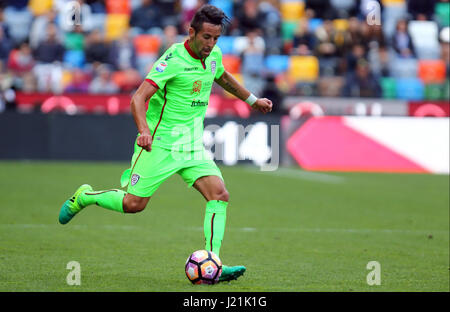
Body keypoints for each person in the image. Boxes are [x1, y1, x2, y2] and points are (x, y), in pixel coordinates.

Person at [58, 4, 273, 283]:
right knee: (134, 204)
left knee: (219, 194)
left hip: (192, 144)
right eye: (206, 37)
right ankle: (85, 197)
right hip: (159, 143)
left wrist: (251, 100)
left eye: (216, 38)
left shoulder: (214, 55)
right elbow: (138, 98)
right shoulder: (173, 58)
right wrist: (144, 131)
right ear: (192, 31)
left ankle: (213, 264)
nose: (211, 44)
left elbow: (221, 75)